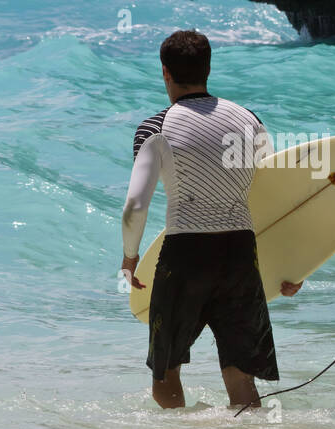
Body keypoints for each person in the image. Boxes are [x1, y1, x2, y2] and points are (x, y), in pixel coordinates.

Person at [121, 30, 301, 409]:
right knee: (240, 371)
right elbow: (274, 199)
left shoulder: (157, 128)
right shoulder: (249, 121)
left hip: (185, 254)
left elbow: (136, 205)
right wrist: (292, 265)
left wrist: (130, 256)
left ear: (165, 73)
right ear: (208, 68)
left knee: (166, 370)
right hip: (238, 252)